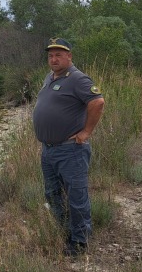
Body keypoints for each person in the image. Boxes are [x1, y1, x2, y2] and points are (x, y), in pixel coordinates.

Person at [32, 37, 105, 256]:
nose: (54, 59)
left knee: (76, 195)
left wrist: (86, 133)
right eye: (50, 55)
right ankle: (63, 232)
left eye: (58, 55)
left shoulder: (77, 78)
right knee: (53, 193)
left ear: (69, 56)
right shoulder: (50, 77)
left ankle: (80, 241)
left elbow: (97, 102)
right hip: (49, 150)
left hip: (70, 150)